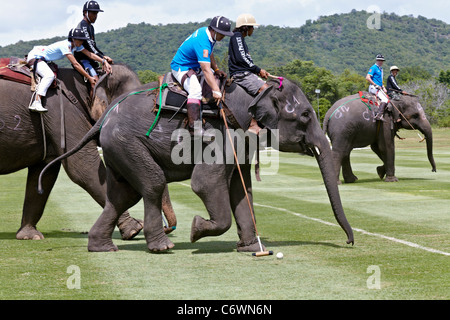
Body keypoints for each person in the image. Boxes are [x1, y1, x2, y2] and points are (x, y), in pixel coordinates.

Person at [170, 16, 233, 135]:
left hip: (195, 66)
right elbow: (205, 69)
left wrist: (217, 69)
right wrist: (216, 90)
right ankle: (194, 128)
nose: (223, 37)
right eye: (222, 34)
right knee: (195, 90)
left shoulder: (208, 33)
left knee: (216, 79)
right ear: (214, 30)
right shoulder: (203, 40)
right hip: (181, 67)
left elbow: (210, 53)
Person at [26, 28, 112, 112]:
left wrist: (103, 61)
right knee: (49, 76)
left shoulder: (75, 45)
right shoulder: (65, 46)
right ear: (73, 39)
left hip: (42, 56)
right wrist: (89, 77)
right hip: (35, 57)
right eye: (80, 40)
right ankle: (36, 102)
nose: (82, 42)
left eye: (82, 40)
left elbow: (90, 54)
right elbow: (76, 64)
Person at [228, 13, 269, 134]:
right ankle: (253, 123)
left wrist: (258, 71)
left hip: (246, 73)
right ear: (246, 27)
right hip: (241, 74)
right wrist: (258, 69)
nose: (253, 29)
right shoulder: (237, 37)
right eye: (252, 27)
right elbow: (241, 58)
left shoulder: (240, 38)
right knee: (265, 90)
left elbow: (245, 60)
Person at [74, 1, 113, 92]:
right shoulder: (83, 26)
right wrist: (102, 58)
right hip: (82, 60)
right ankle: (93, 105)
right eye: (93, 13)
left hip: (91, 59)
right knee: (96, 82)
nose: (95, 16)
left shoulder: (91, 27)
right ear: (85, 12)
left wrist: (103, 56)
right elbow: (89, 45)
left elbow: (93, 45)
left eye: (96, 13)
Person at [366, 54, 390, 121]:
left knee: (387, 98)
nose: (381, 62)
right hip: (373, 87)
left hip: (379, 88)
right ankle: (379, 115)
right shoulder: (373, 67)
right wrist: (375, 84)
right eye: (379, 60)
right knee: (385, 99)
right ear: (376, 60)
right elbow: (367, 77)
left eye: (382, 61)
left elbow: (380, 80)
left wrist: (383, 87)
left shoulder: (381, 69)